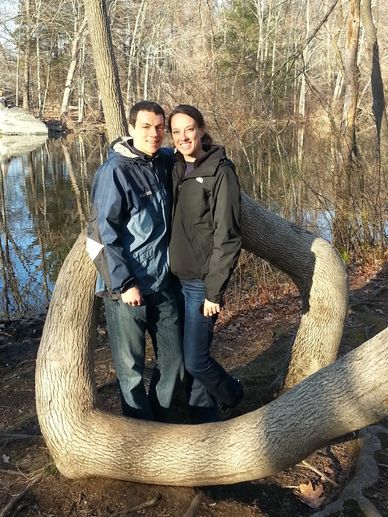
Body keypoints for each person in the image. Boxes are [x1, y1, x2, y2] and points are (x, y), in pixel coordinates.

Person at [87, 100, 184, 422]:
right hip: (127, 289)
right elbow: (99, 236)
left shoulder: (164, 162)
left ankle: (161, 418)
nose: (154, 134)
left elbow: (194, 147)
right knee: (130, 369)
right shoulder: (115, 171)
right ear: (131, 129)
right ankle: (139, 430)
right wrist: (124, 283)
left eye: (159, 127)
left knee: (174, 360)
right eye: (146, 127)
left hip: (163, 282)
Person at [168, 104, 243, 423]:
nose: (183, 137)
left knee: (196, 360)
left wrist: (215, 291)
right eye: (176, 131)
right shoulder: (173, 166)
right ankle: (201, 412)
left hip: (201, 283)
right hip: (175, 279)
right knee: (186, 355)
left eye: (189, 129)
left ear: (200, 129)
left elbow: (228, 235)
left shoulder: (220, 172)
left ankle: (232, 394)